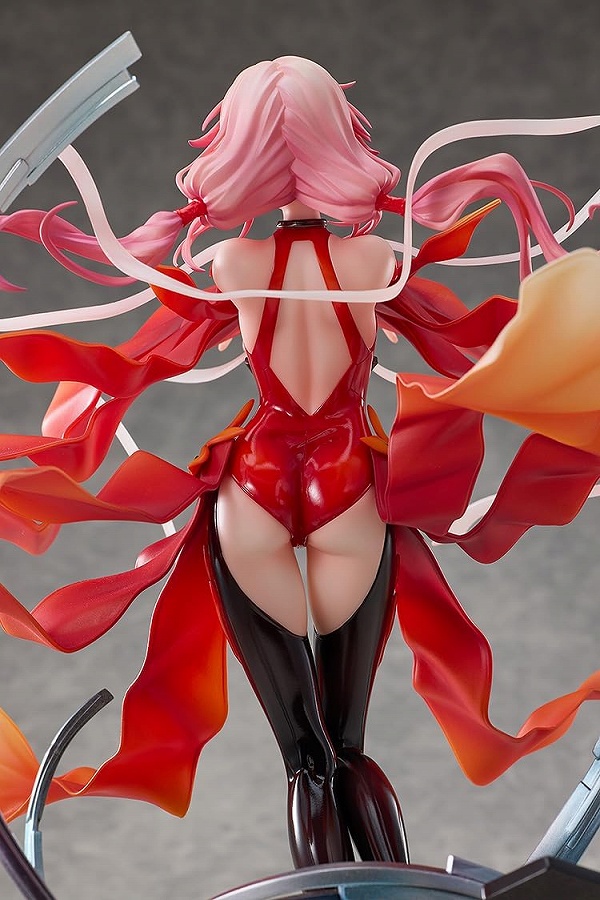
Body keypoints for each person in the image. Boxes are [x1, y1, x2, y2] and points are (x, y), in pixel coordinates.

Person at [0, 56, 599, 868]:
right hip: (350, 488)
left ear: (238, 151)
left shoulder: (231, 266)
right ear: (338, 142)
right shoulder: (375, 263)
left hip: (254, 488)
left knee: (305, 758)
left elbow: (133, 364)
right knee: (347, 745)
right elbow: (474, 352)